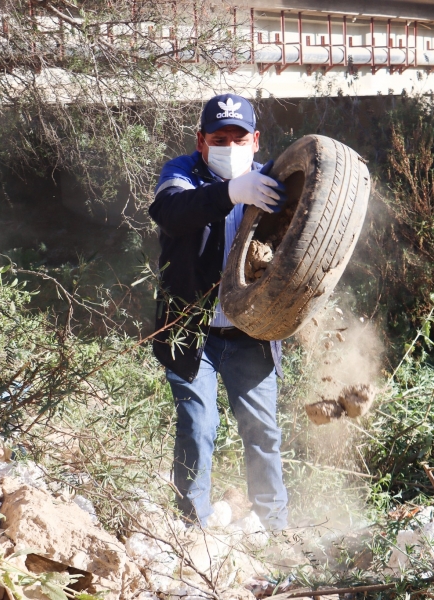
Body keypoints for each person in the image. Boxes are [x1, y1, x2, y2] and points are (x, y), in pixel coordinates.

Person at [149, 93, 289, 531]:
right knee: (197, 427)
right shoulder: (182, 174)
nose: (230, 145)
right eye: (219, 137)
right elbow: (169, 213)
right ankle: (193, 528)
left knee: (263, 434)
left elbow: (313, 234)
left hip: (251, 334)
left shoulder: (274, 178)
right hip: (193, 333)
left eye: (238, 136)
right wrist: (230, 192)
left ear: (255, 139)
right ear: (201, 140)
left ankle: (275, 527)